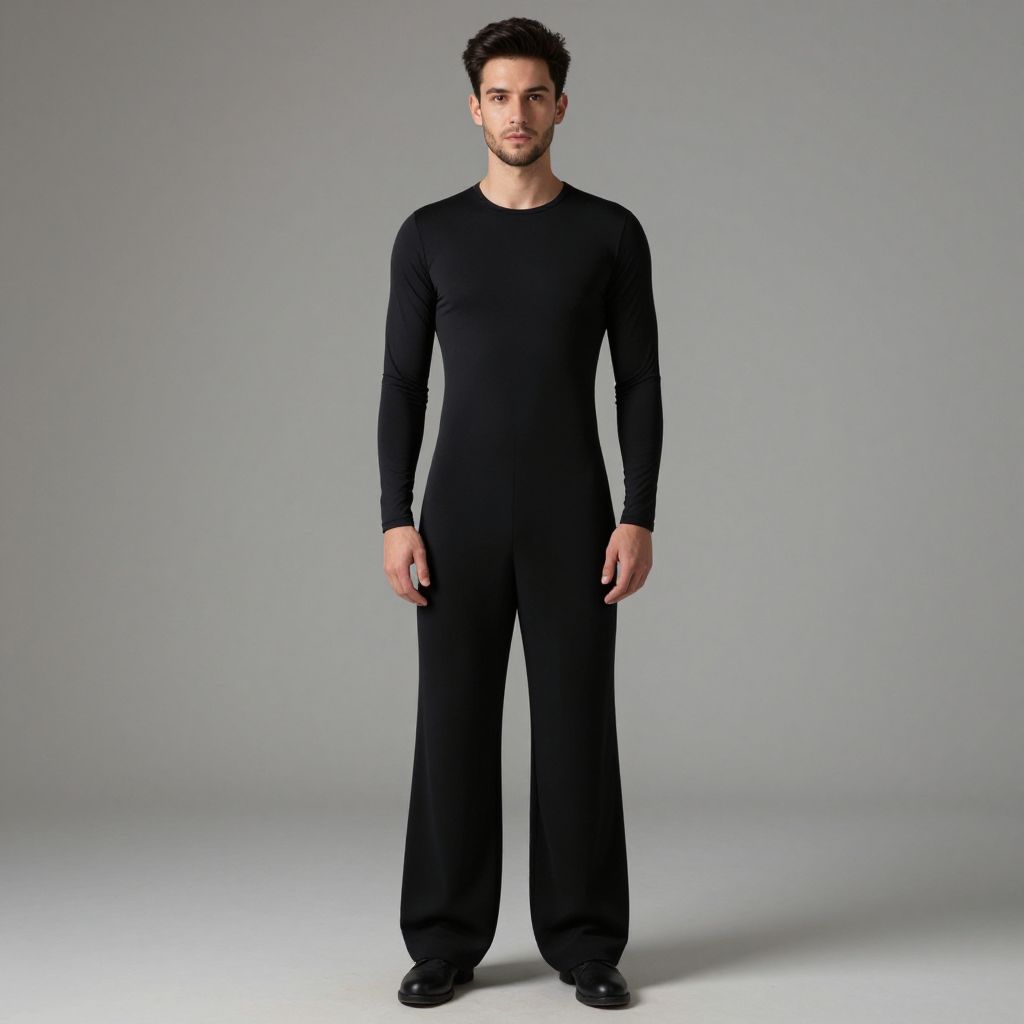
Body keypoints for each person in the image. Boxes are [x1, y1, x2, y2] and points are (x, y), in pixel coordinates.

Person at [377, 17, 663, 1010]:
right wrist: (394, 516)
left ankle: (585, 941)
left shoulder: (609, 233)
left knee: (577, 726)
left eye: (534, 95)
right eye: (498, 95)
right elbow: (403, 384)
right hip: (454, 517)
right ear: (474, 107)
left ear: (560, 106)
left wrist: (637, 513)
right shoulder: (429, 235)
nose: (516, 112)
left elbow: (638, 382)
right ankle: (443, 939)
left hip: (573, 515)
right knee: (451, 725)